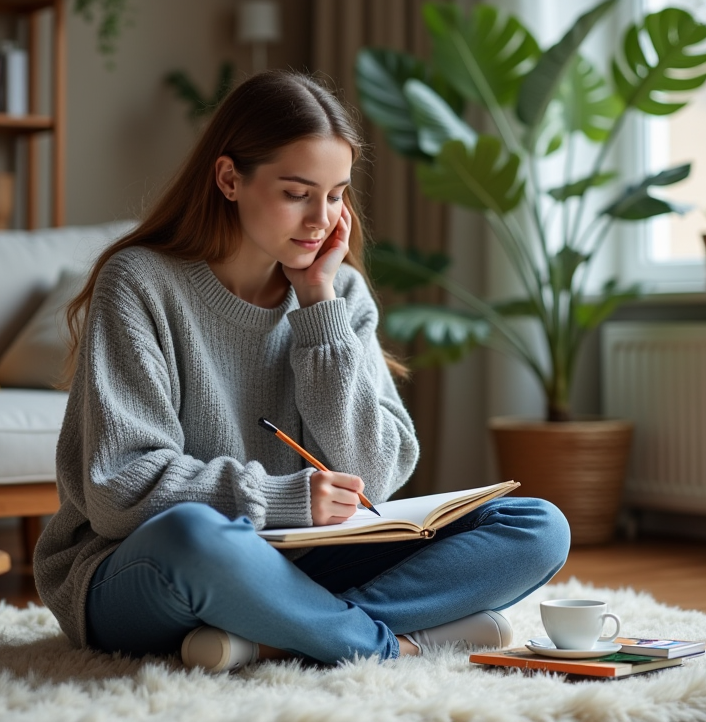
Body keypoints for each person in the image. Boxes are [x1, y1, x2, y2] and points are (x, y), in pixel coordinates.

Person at [34, 70, 570, 672]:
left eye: (337, 194)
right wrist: (285, 498)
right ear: (230, 178)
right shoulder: (139, 283)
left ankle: (276, 636)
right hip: (144, 568)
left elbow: (375, 475)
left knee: (537, 526)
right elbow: (119, 489)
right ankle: (375, 643)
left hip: (304, 562)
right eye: (297, 193)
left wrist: (318, 309)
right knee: (194, 537)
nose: (322, 218)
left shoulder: (340, 293)